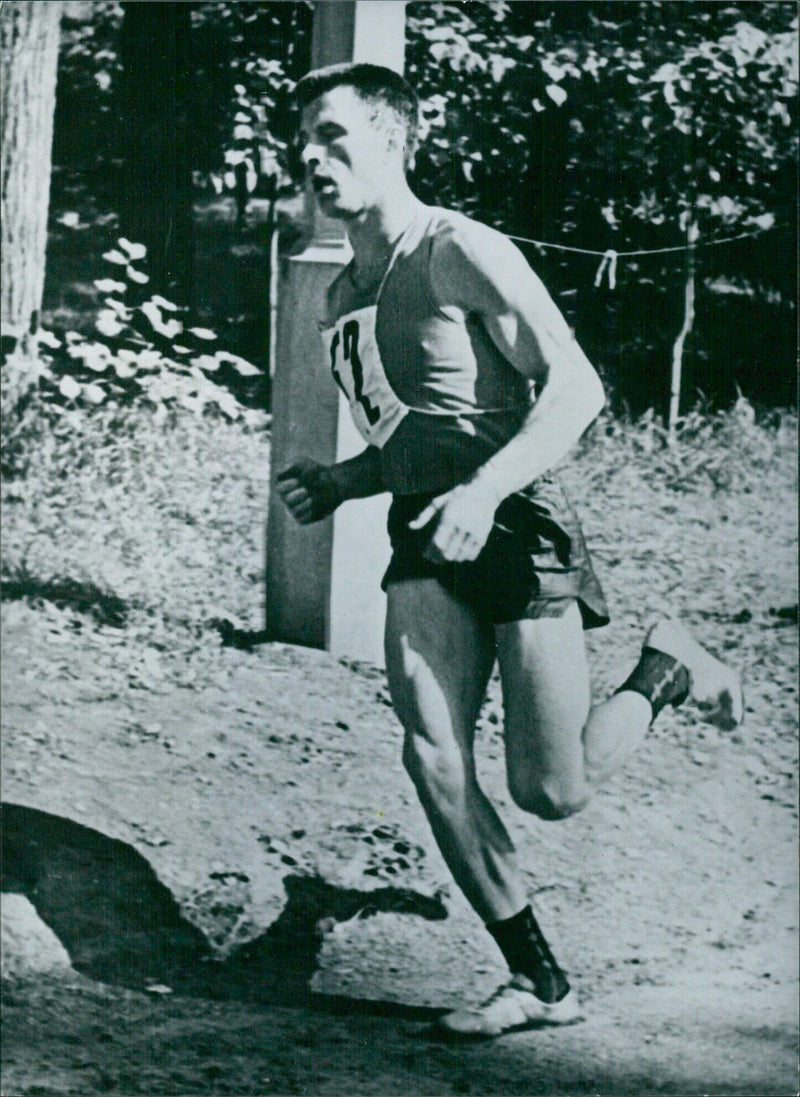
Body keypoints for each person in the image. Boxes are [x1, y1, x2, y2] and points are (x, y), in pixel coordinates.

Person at [276, 63, 743, 1037]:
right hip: (424, 534)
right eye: (304, 143)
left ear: (392, 138)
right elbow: (411, 433)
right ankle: (538, 978)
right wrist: (340, 481)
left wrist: (485, 490)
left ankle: (666, 665)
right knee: (432, 752)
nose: (314, 160)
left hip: (515, 520)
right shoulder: (341, 293)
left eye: (335, 137)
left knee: (551, 789)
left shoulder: (456, 250)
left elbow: (575, 386)